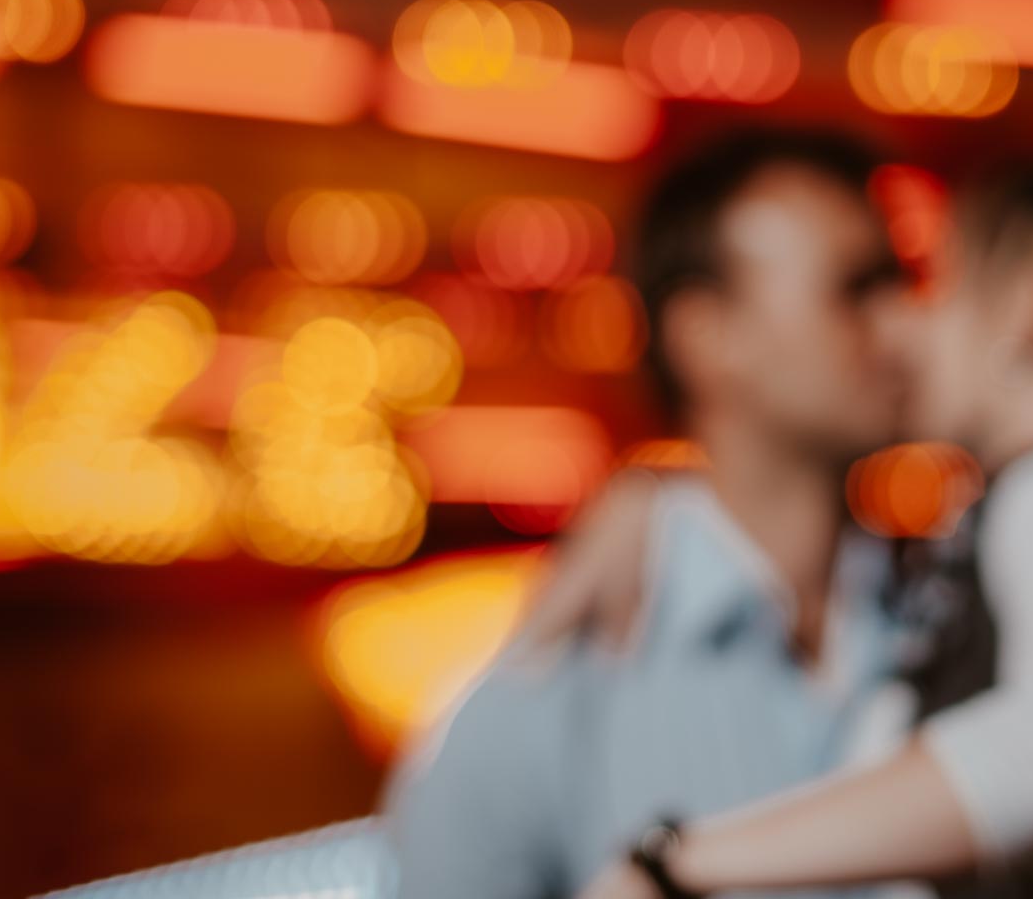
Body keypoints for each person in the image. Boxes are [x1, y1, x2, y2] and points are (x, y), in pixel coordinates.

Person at [558, 135, 1033, 899]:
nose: (900, 330)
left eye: (932, 286)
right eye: (865, 291)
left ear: (1026, 318)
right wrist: (654, 495)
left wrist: (680, 863)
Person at [383, 127, 918, 899]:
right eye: (856, 289)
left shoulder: (953, 608)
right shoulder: (562, 675)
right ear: (706, 337)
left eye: (903, 283)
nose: (903, 325)